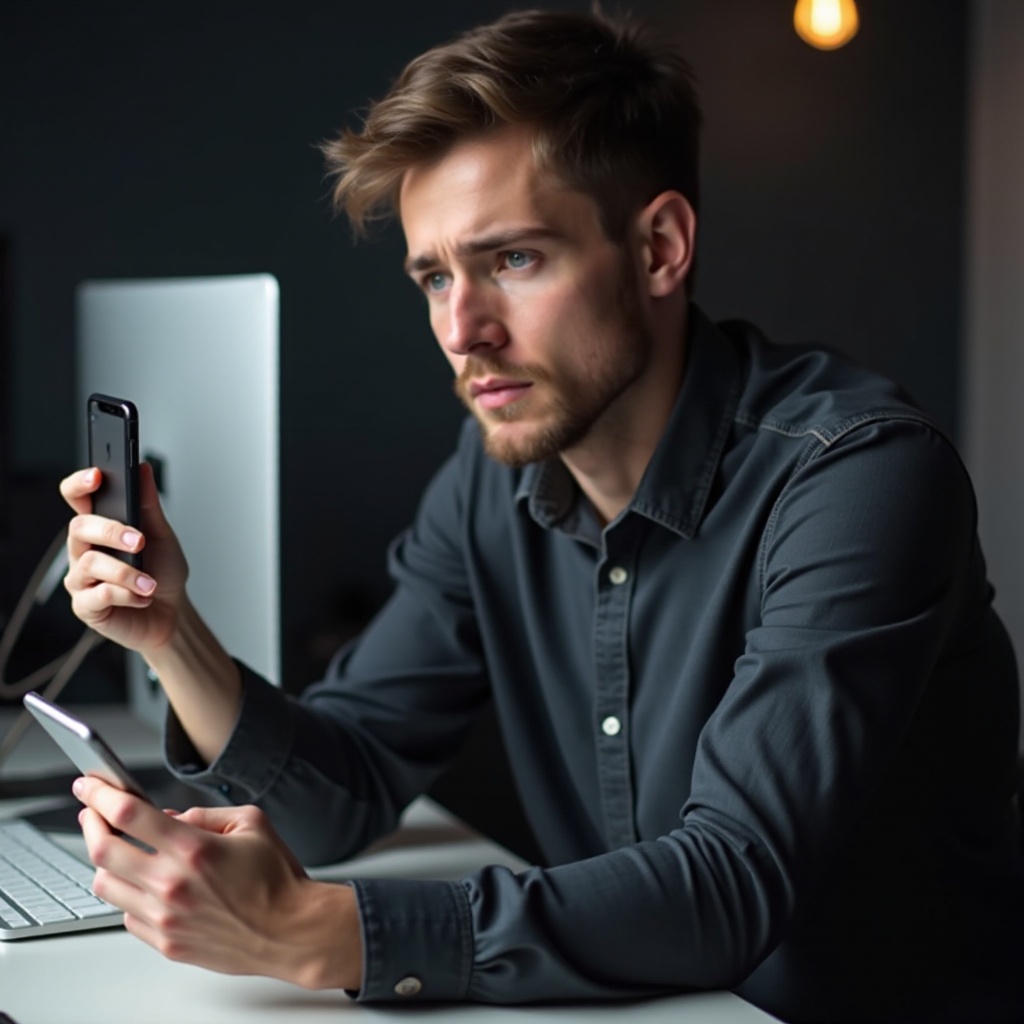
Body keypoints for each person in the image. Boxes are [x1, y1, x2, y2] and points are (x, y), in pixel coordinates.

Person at [60, 9, 1023, 1023]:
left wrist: (314, 930)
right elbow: (341, 793)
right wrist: (171, 631)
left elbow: (730, 882)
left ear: (658, 247)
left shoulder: (856, 477)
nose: (460, 329)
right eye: (434, 275)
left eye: (512, 260)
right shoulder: (492, 478)